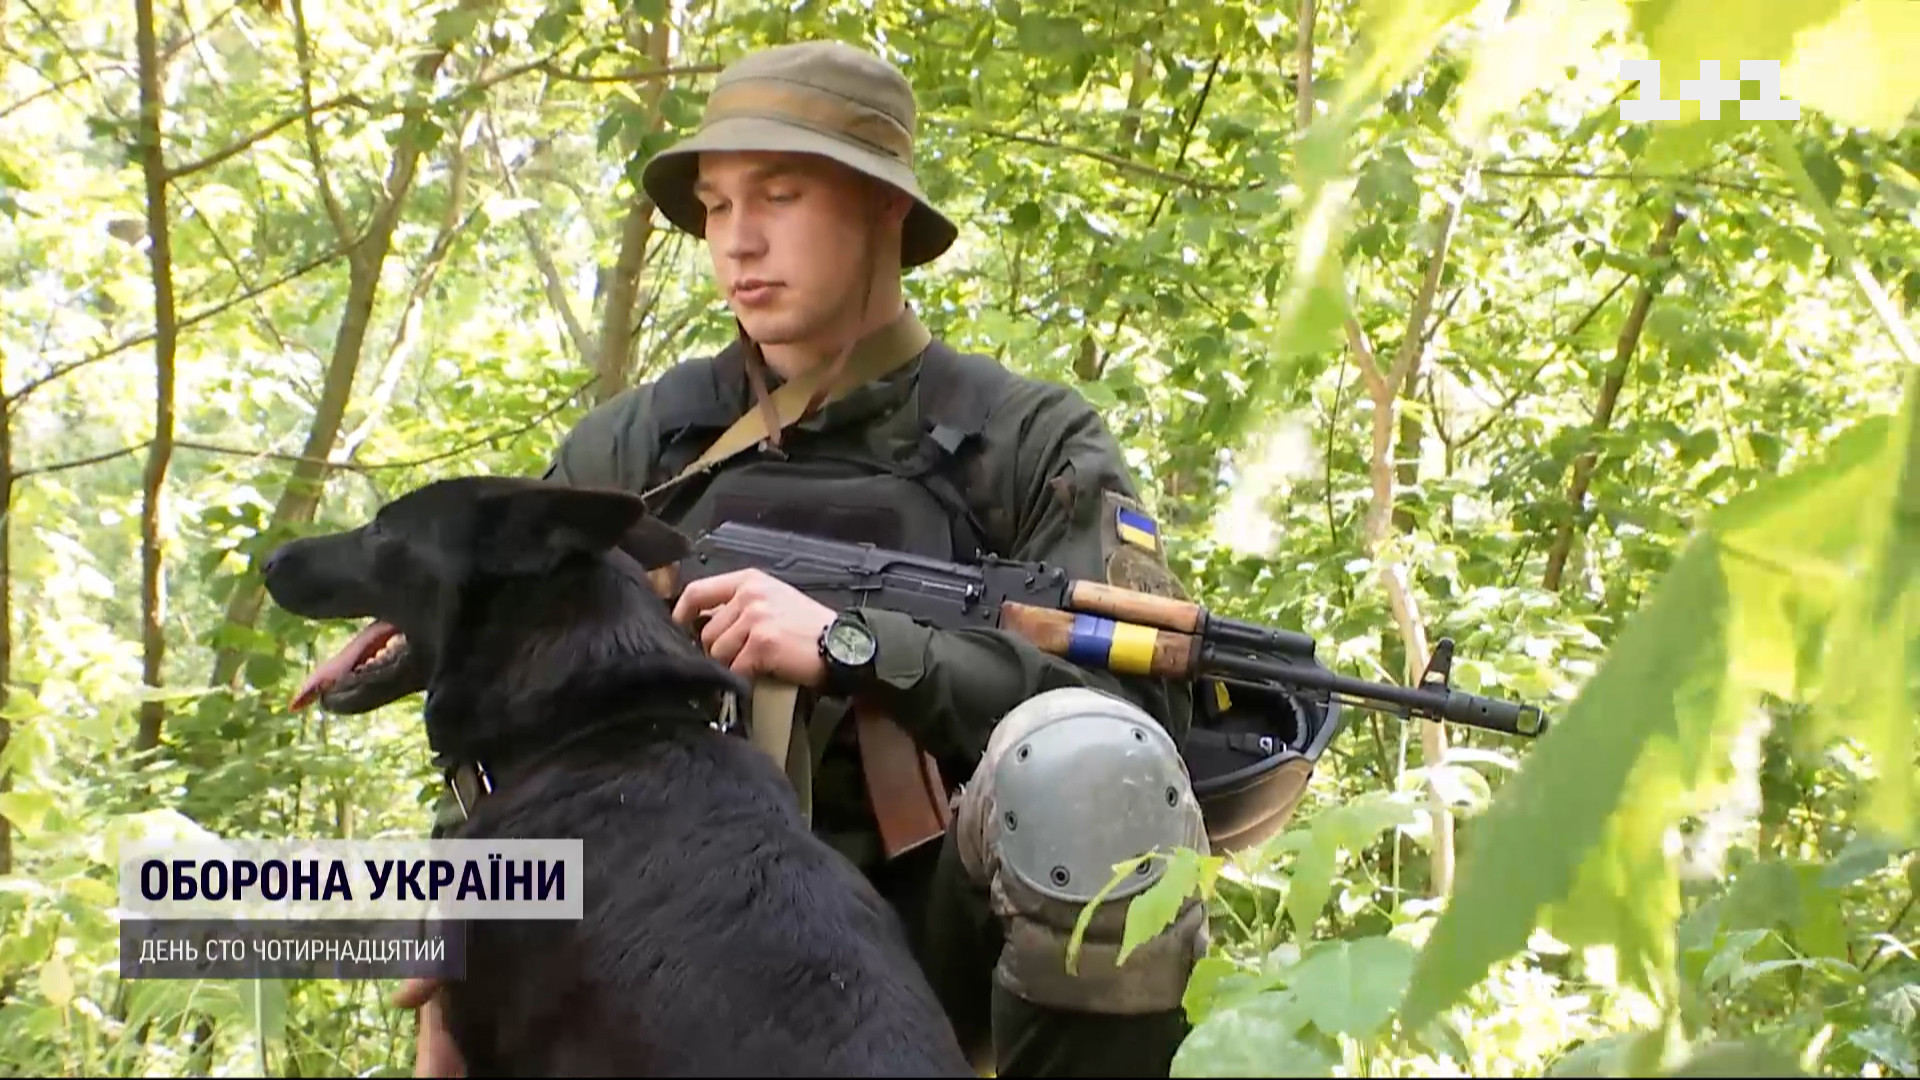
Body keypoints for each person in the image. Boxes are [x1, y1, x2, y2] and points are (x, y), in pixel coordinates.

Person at [394, 38, 1220, 1078]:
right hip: (659, 963)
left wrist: (858, 646)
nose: (737, 242)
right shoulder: (632, 452)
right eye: (717, 205)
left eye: (778, 196)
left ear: (884, 210)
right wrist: (455, 932)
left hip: (940, 960)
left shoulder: (1024, 443)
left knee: (1090, 767)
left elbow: (1139, 734)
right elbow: (496, 716)